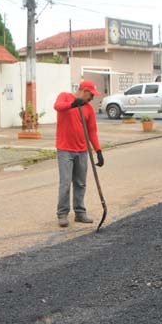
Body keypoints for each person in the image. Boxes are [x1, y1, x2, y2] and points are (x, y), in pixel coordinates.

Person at [53, 80, 103, 227]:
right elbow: (57, 106)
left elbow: (92, 132)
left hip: (82, 150)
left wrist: (98, 151)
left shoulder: (88, 109)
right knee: (65, 183)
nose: (92, 98)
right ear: (84, 90)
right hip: (65, 150)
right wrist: (73, 104)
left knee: (80, 183)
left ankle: (80, 213)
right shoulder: (65, 97)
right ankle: (62, 214)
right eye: (91, 94)